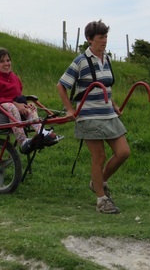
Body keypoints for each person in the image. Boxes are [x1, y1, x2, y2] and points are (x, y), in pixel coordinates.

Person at [56, 20, 129, 214]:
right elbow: (61, 85)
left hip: (108, 114)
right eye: (100, 38)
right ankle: (101, 199)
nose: (104, 41)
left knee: (123, 152)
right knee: (99, 156)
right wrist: (69, 109)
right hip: (88, 115)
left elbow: (107, 86)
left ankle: (98, 182)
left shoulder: (108, 59)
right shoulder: (81, 61)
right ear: (89, 39)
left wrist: (114, 105)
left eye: (106, 37)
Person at [0, 48, 63, 154]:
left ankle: (41, 132)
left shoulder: (13, 76)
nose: (6, 63)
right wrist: (15, 104)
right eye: (2, 61)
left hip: (11, 105)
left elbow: (18, 95)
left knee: (30, 105)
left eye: (8, 60)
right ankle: (23, 141)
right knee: (12, 107)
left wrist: (24, 105)